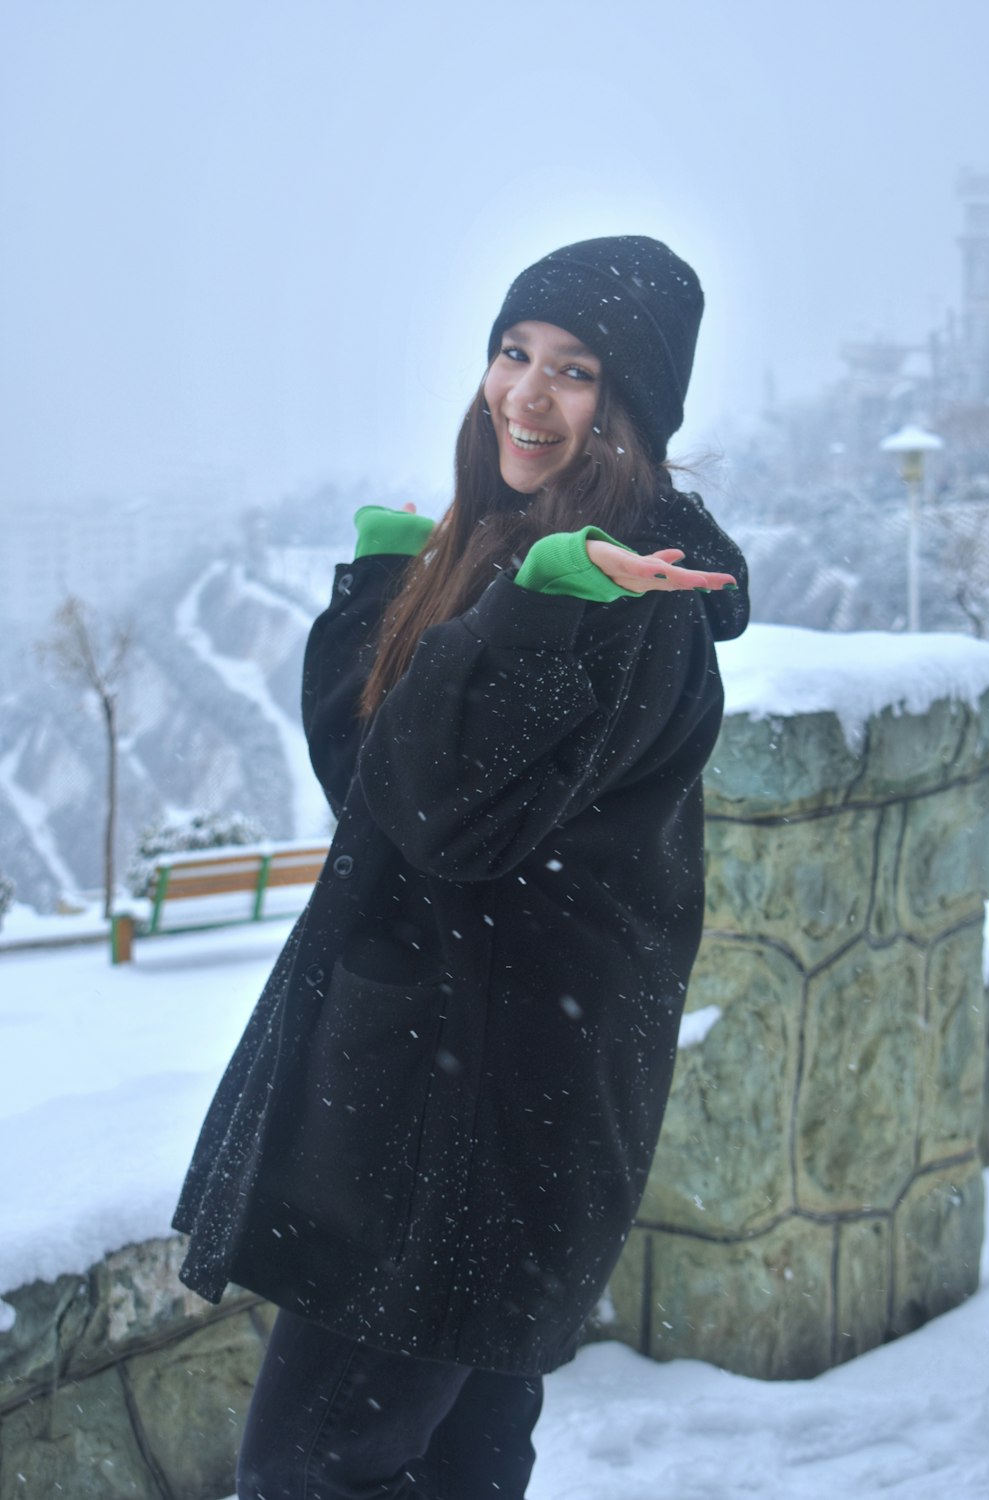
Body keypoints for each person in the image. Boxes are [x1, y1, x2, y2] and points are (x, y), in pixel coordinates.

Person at [172, 234, 750, 1499]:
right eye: (512, 353)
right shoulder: (515, 546)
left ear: (631, 408)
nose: (525, 397)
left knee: (310, 1466)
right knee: (458, 1464)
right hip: (472, 1108)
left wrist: (538, 603)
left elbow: (442, 815)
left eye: (577, 372)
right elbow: (368, 786)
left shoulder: (624, 601)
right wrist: (391, 589)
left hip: (471, 1127)